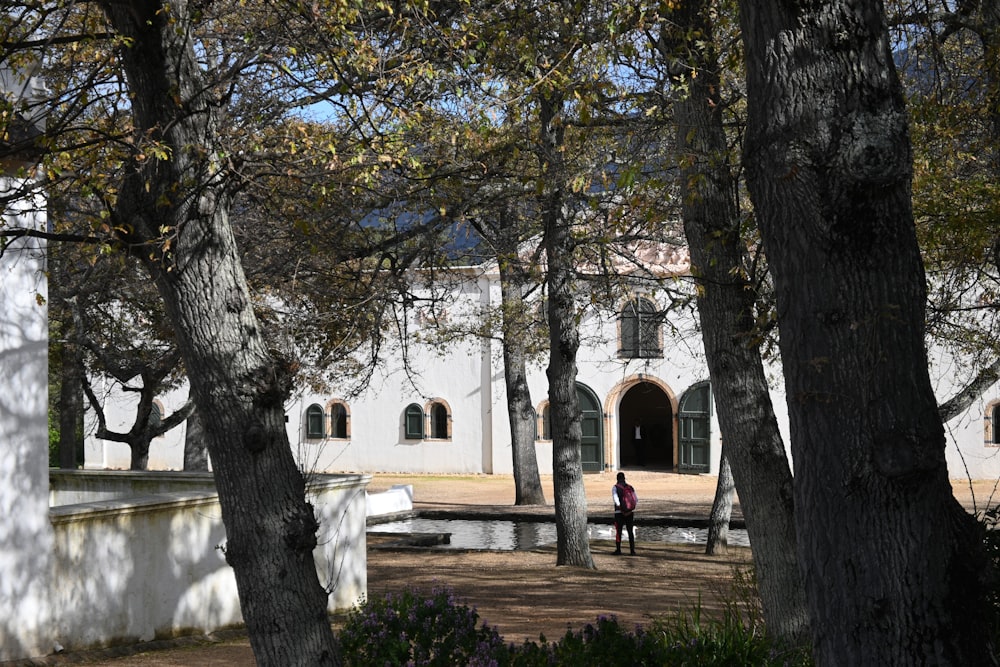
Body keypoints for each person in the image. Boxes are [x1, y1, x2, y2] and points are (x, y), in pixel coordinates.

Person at [612, 472, 637, 555]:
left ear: (617, 479)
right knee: (630, 531)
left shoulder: (615, 487)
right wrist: (629, 510)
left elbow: (616, 500)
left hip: (619, 512)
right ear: (624, 478)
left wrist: (621, 509)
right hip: (630, 512)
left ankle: (618, 550)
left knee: (618, 532)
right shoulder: (630, 487)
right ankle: (632, 551)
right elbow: (636, 500)